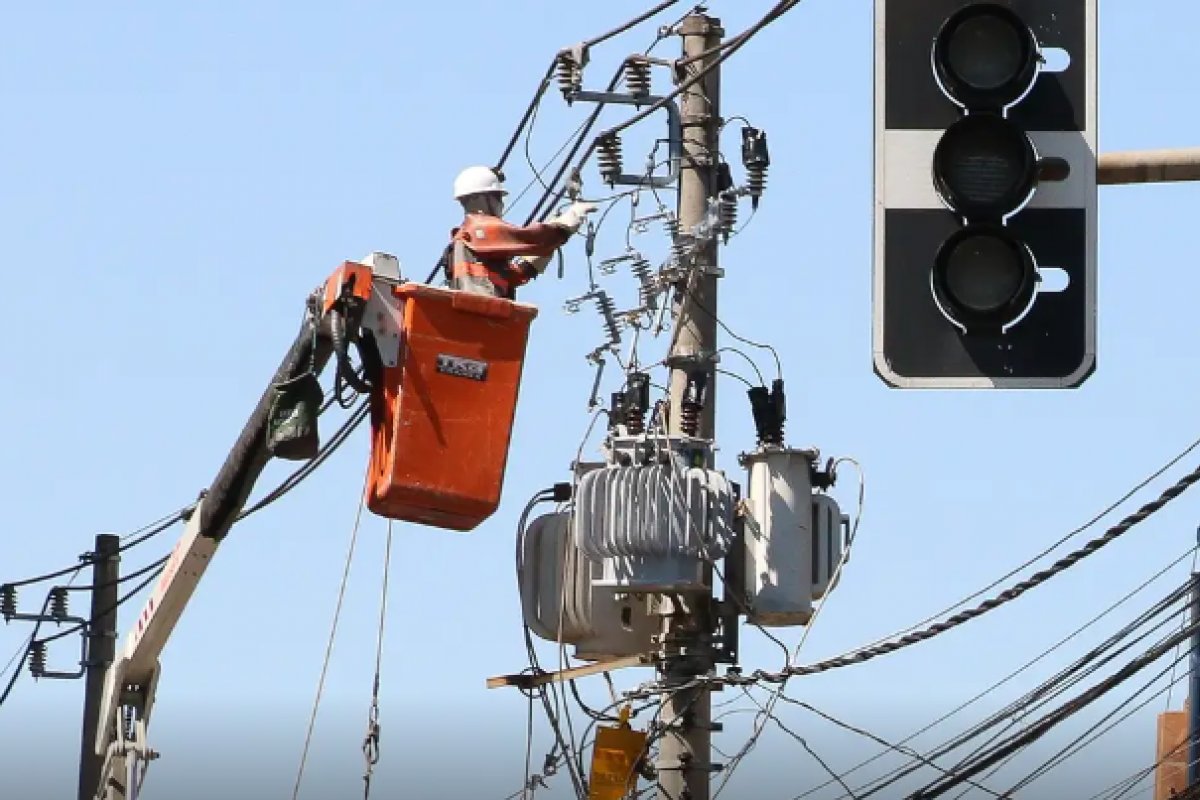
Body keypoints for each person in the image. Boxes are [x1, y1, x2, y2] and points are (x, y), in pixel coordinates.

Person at [445, 165, 596, 299]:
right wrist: (572, 217)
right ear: (482, 199)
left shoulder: (466, 241)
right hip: (484, 314)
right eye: (498, 197)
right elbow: (536, 239)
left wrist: (540, 255)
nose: (502, 204)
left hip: (481, 318)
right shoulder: (479, 229)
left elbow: (513, 276)